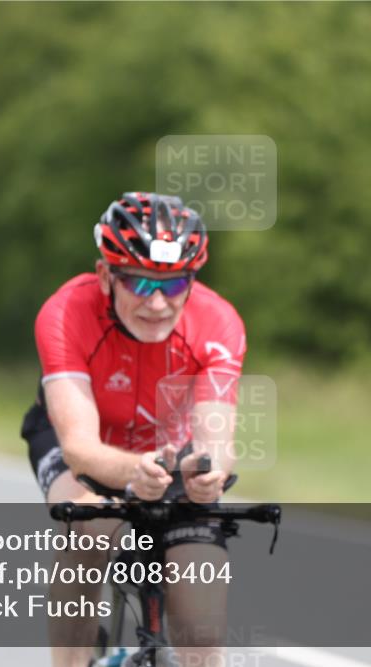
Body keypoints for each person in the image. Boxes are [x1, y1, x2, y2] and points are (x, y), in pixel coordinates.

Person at [22, 192, 246, 666]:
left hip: (170, 451)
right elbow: (80, 447)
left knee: (202, 620)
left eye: (175, 283)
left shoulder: (218, 322)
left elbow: (217, 442)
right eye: (141, 285)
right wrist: (133, 472)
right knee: (90, 527)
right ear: (106, 276)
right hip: (82, 441)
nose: (160, 304)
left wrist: (206, 474)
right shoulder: (65, 313)